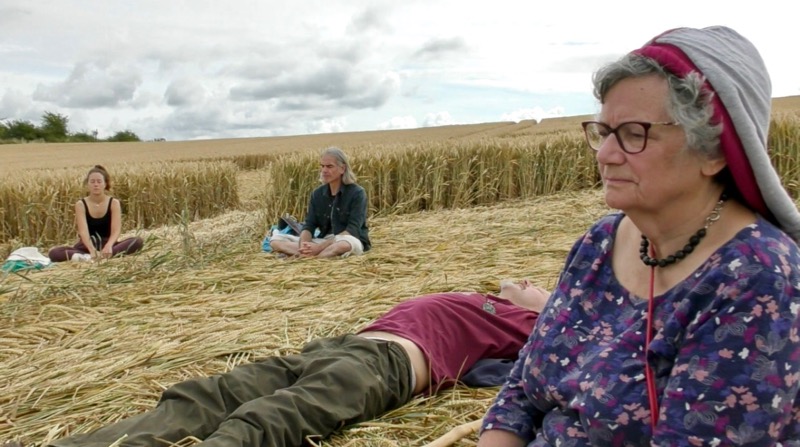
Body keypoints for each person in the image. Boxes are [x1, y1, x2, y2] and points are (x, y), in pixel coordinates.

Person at [478, 26, 800, 446]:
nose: (606, 155)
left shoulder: (757, 282)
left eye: (635, 133)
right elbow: (521, 388)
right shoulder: (601, 243)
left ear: (715, 150)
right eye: (604, 132)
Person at [23, 279, 548, 447]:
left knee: (265, 420)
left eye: (533, 284)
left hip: (383, 366)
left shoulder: (530, 322)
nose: (519, 281)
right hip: (338, 346)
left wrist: (540, 301)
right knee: (202, 397)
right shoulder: (481, 299)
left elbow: (574, 343)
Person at [269, 147, 371, 258]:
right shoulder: (317, 194)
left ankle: (313, 258)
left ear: (342, 168)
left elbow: (352, 229)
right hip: (323, 240)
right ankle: (314, 255)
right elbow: (309, 226)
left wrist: (318, 248)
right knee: (275, 241)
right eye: (322, 166)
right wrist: (304, 246)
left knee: (343, 245)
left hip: (347, 240)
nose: (324, 170)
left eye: (329, 166)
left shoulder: (357, 193)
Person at [48, 165, 144, 262]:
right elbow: (83, 232)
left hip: (108, 245)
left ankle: (103, 256)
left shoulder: (114, 203)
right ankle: (89, 257)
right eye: (92, 182)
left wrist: (109, 246)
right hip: (85, 247)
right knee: (54, 253)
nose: (96, 184)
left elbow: (116, 230)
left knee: (137, 241)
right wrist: (92, 250)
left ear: (105, 184)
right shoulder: (81, 204)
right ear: (88, 184)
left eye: (99, 181)